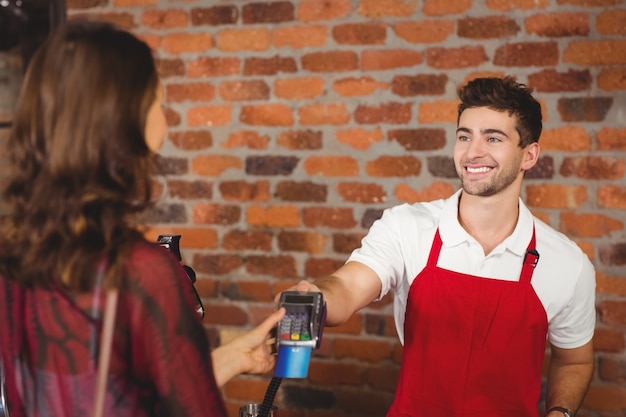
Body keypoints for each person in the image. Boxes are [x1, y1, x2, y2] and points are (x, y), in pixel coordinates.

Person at [0, 19, 284, 417]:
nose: (164, 118)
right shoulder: (141, 272)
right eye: (158, 102)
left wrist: (231, 359)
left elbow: (102, 391)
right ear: (126, 123)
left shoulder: (14, 261)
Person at [290, 76, 596, 417]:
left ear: (529, 155)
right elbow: (347, 286)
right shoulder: (406, 227)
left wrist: (560, 413)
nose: (472, 151)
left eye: (493, 137)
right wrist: (314, 297)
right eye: (465, 136)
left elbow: (574, 359)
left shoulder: (567, 263)